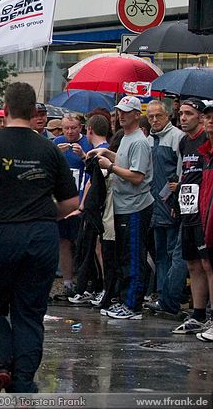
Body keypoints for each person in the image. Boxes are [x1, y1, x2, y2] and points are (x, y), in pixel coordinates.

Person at [0, 82, 79, 397]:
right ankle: (24, 382)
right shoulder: (50, 149)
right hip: (40, 236)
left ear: (5, 109)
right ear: (34, 112)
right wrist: (42, 215)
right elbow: (71, 204)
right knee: (29, 311)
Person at [89, 96, 154, 320]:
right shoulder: (127, 138)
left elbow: (137, 176)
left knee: (134, 256)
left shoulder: (139, 141)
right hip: (124, 205)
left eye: (126, 111)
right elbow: (127, 163)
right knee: (125, 255)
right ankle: (126, 300)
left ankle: (132, 305)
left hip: (135, 206)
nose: (121, 115)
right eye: (119, 111)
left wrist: (111, 166)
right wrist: (108, 154)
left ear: (137, 114)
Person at [169, 98, 213, 334]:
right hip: (188, 207)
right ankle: (197, 314)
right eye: (182, 114)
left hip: (205, 208)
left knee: (207, 263)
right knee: (192, 262)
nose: (183, 118)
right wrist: (176, 201)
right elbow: (184, 174)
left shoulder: (207, 139)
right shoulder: (185, 142)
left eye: (189, 114)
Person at [143, 101, 186, 318]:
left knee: (171, 252)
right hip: (153, 205)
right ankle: (161, 293)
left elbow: (178, 173)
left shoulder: (177, 137)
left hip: (169, 204)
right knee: (160, 253)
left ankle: (170, 296)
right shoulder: (150, 139)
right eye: (150, 116)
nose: (154, 120)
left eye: (158, 116)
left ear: (167, 115)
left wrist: (173, 202)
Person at [68, 114, 112, 305]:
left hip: (99, 208)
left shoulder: (101, 152)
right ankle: (99, 287)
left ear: (89, 130)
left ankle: (105, 288)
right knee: (94, 248)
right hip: (95, 207)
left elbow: (94, 183)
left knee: (99, 249)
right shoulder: (97, 151)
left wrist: (82, 205)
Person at [51, 113, 94, 301]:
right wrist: (56, 154)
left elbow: (96, 170)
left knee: (83, 243)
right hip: (63, 201)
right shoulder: (56, 142)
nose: (69, 132)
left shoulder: (87, 143)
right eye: (66, 128)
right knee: (63, 242)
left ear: (81, 128)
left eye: (73, 128)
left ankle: (87, 282)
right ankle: (67, 283)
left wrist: (84, 157)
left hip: (81, 200)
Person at [197, 100, 213, 342]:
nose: (210, 121)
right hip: (206, 219)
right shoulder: (206, 152)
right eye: (208, 117)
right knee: (208, 267)